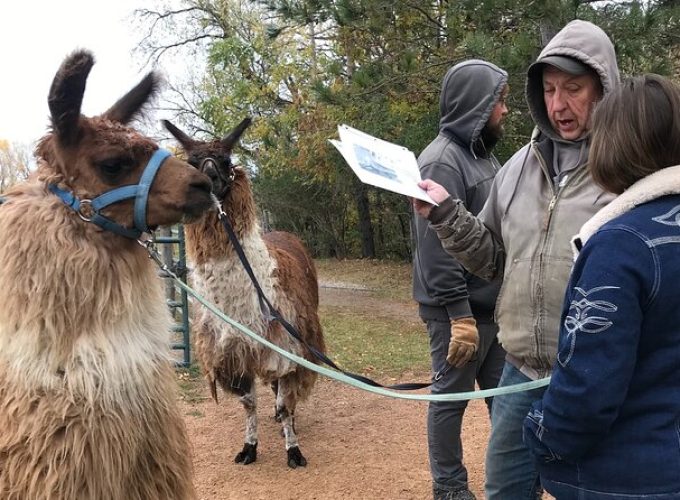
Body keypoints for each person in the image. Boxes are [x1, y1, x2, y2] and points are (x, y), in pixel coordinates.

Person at [412, 20, 620, 499]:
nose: (558, 104)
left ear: (604, 88)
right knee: (504, 490)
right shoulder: (518, 168)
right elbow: (489, 257)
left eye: (573, 88)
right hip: (520, 373)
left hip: (595, 382)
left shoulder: (627, 169)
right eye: (548, 89)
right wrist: (445, 213)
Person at [522, 74, 680, 499]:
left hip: (628, 478)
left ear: (610, 145)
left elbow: (587, 391)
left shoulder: (619, 248)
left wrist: (541, 434)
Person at [412, 59, 509, 500]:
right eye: (499, 101)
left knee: (507, 400)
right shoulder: (441, 161)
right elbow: (434, 246)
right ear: (477, 104)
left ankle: (518, 474)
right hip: (460, 314)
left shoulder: (483, 156)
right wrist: (459, 316)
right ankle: (449, 488)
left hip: (494, 309)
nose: (505, 110)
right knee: (449, 401)